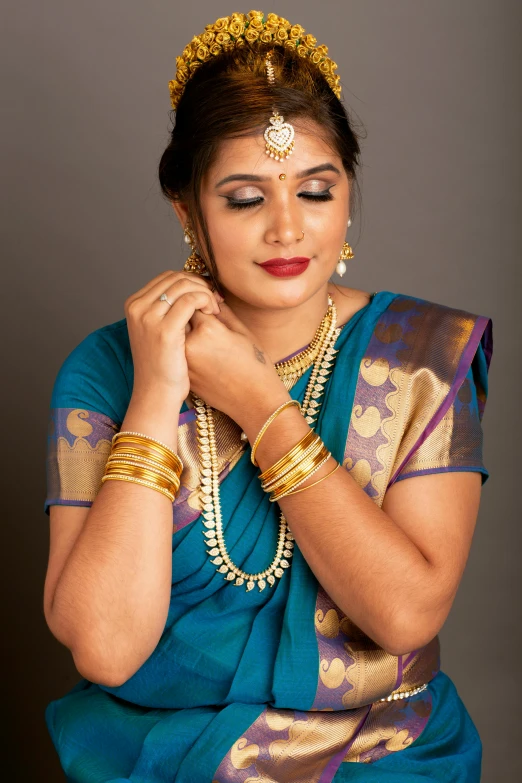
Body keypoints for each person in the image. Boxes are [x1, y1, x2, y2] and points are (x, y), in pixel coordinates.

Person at [42, 10, 493, 782]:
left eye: (316, 191)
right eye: (246, 199)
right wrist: (156, 395)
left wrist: (259, 403)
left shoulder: (420, 360)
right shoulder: (107, 371)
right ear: (188, 211)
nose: (288, 229)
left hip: (380, 755)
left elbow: (405, 614)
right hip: (159, 758)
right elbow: (107, 645)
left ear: (348, 196)